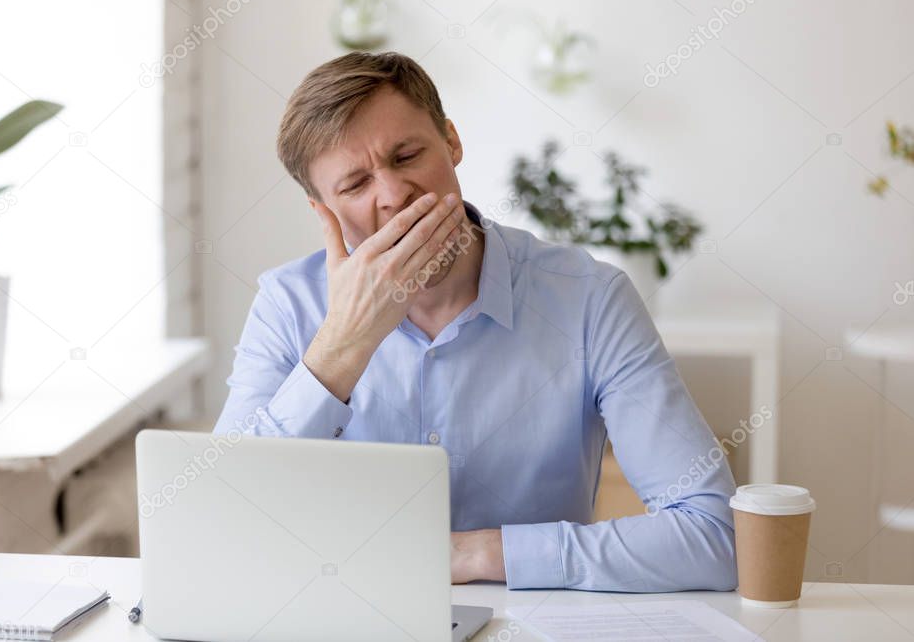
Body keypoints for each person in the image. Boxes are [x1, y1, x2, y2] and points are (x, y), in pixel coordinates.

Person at [214, 50, 738, 592]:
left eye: (407, 155)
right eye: (355, 185)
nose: (394, 197)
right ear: (320, 208)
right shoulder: (286, 305)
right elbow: (217, 526)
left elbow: (715, 535)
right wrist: (344, 346)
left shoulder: (589, 300)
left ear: (452, 141)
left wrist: (479, 553)